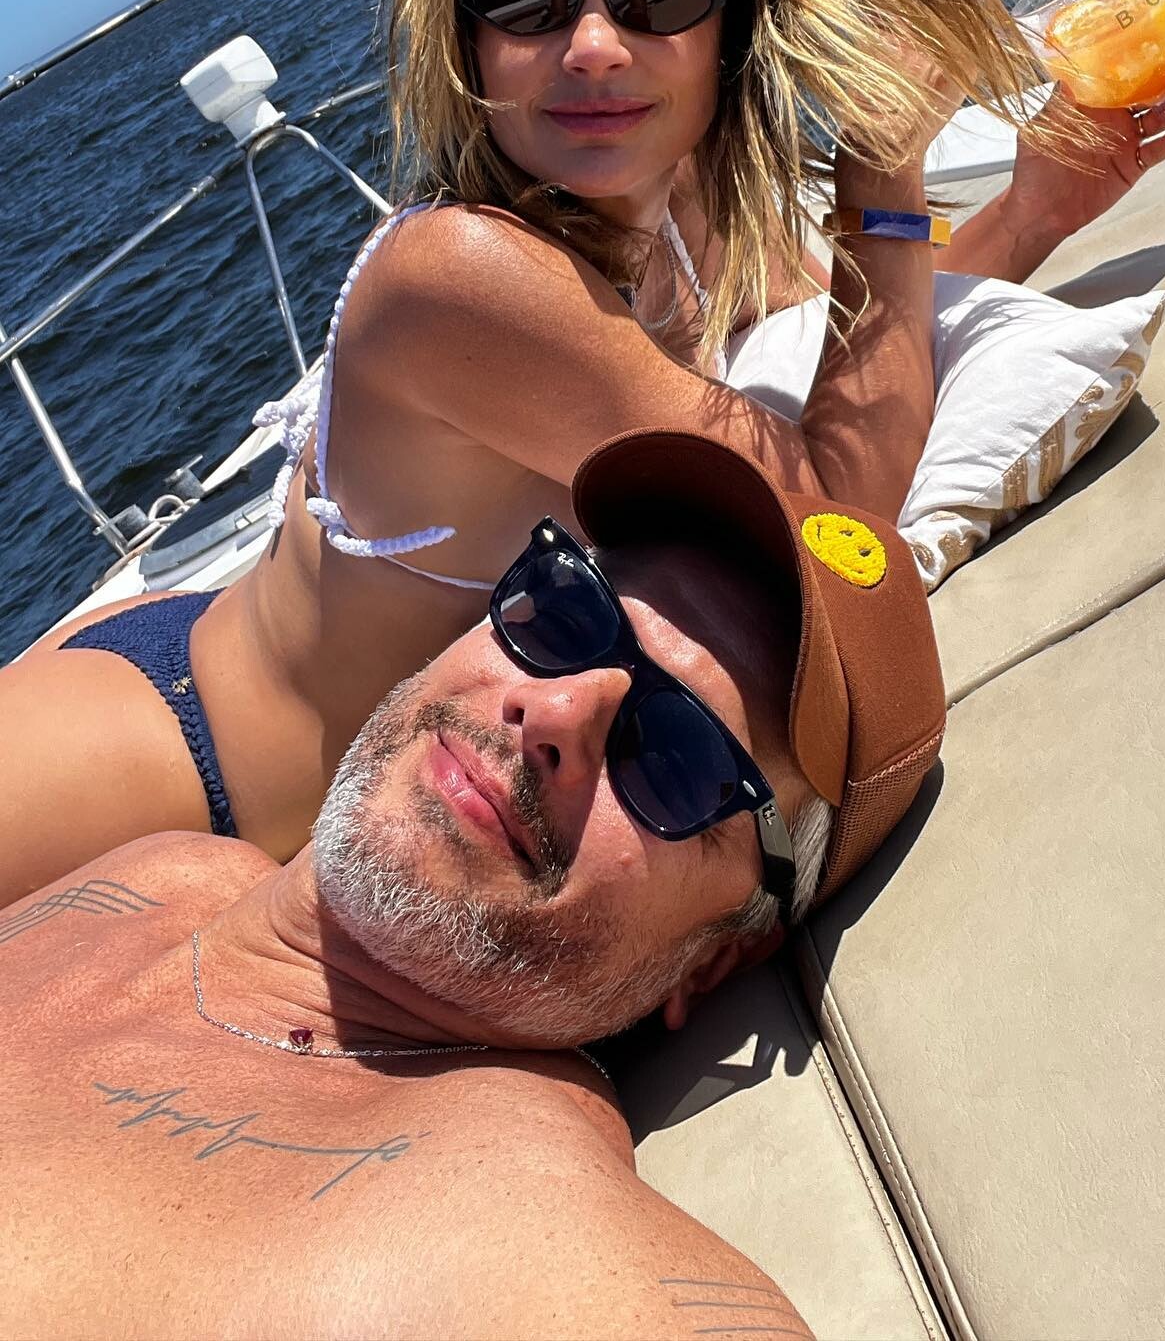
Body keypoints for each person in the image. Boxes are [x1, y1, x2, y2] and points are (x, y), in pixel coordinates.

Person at [0, 0, 1165, 903]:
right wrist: (882, 166)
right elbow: (833, 512)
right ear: (466, 39)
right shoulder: (467, 276)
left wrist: (1032, 213)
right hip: (175, 762)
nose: (593, 47)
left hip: (198, 633)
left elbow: (851, 350)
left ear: (726, 23)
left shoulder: (677, 193)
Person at [0, 429, 945, 1340]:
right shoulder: (162, 868)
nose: (552, 706)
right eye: (570, 611)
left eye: (677, 756)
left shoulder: (501, 1216)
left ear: (716, 956)